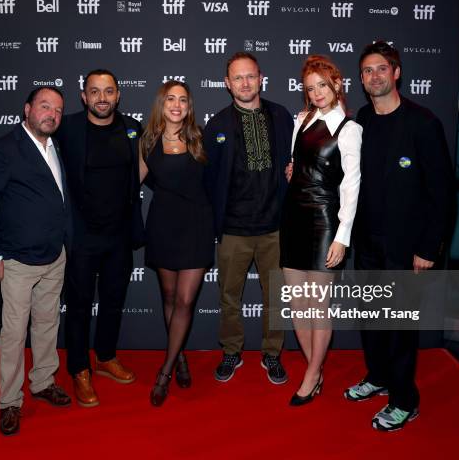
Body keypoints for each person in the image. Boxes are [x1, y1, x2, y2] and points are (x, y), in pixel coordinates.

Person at [344, 41, 454, 431]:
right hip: (369, 244)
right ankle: (377, 377)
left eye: (381, 69)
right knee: (372, 320)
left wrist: (428, 248)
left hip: (408, 250)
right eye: (367, 71)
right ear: (361, 79)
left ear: (396, 72)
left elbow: (442, 193)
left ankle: (405, 400)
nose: (374, 76)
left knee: (400, 327)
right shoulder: (362, 120)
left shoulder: (423, 123)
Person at [0, 87, 71, 436]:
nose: (52, 115)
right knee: (14, 333)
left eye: (58, 110)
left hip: (54, 255)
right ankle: (9, 402)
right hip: (16, 260)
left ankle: (43, 381)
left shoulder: (53, 146)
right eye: (45, 107)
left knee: (46, 325)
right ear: (27, 109)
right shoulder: (4, 149)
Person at [56, 69, 144, 407]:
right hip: (81, 236)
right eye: (95, 92)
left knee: (112, 301)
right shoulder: (68, 128)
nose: (102, 98)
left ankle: (105, 356)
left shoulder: (132, 127)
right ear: (84, 96)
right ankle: (79, 369)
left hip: (119, 235)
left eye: (108, 91)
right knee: (78, 307)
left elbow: (143, 168)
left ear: (118, 95)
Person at [204, 52, 294, 384]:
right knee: (229, 296)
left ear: (261, 78)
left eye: (250, 76)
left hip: (275, 228)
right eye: (237, 78)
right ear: (227, 84)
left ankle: (272, 353)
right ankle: (231, 351)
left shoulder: (282, 116)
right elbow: (209, 178)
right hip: (233, 230)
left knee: (276, 296)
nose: (245, 83)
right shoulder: (217, 125)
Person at [280, 55, 362, 406]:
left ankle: (312, 374)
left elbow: (352, 186)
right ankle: (314, 368)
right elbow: (297, 166)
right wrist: (292, 173)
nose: (316, 93)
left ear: (337, 85)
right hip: (293, 219)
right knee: (298, 307)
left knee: (318, 307)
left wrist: (342, 236)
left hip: (326, 222)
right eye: (310, 88)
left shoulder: (349, 129)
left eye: (322, 86)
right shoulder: (301, 120)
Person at [139, 80, 214, 406]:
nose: (177, 105)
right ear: (162, 103)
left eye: (183, 100)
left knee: (184, 301)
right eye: (171, 98)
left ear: (189, 106)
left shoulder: (202, 138)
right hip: (162, 226)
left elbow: (223, 176)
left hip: (196, 226)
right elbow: (130, 183)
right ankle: (179, 355)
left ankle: (165, 372)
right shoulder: (148, 141)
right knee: (168, 296)